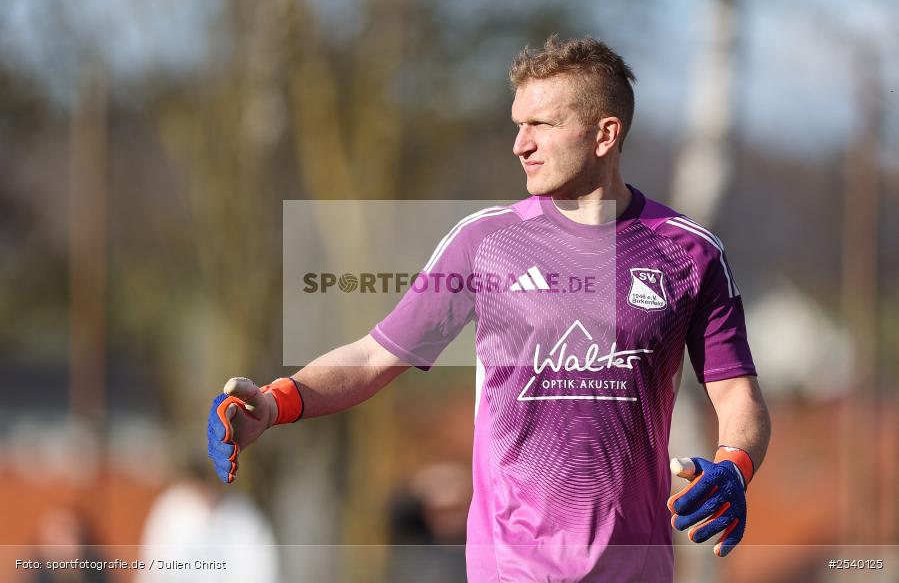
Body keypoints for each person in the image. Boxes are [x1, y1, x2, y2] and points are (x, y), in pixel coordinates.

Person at [207, 35, 771, 582]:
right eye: (517, 125)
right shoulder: (484, 242)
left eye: (540, 125)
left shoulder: (688, 252)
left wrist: (734, 467)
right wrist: (277, 402)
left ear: (605, 134)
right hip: (509, 569)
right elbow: (375, 354)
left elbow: (737, 393)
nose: (519, 144)